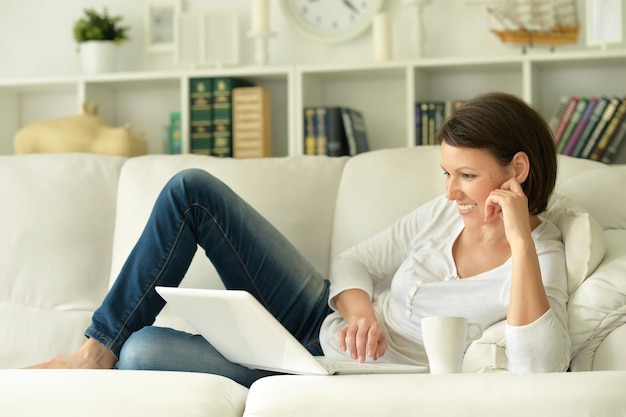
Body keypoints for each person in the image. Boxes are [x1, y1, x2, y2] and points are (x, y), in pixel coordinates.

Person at [28, 92, 570, 386]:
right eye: (446, 174)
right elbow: (357, 260)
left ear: (517, 170)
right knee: (191, 191)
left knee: (144, 351)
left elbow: (538, 368)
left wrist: (520, 242)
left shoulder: (541, 258)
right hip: (319, 314)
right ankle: (95, 350)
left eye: (467, 176)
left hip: (328, 371)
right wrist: (360, 313)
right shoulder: (443, 214)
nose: (451, 192)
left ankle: (118, 352)